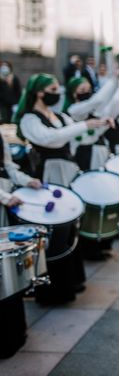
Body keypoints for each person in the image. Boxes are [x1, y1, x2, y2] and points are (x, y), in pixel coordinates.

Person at [13, 73, 109, 304]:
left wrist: (100, 126)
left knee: (68, 227)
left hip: (67, 173)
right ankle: (51, 290)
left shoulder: (59, 116)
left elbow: (77, 138)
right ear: (39, 92)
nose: (57, 94)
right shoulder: (29, 119)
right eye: (53, 89)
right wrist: (85, 125)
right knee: (52, 230)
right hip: (47, 175)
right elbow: (52, 139)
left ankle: (72, 281)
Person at [0, 131, 42, 358]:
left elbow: (8, 167)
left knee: (7, 270)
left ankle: (13, 333)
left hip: (4, 209)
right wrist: (5, 198)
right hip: (3, 200)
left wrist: (28, 180)